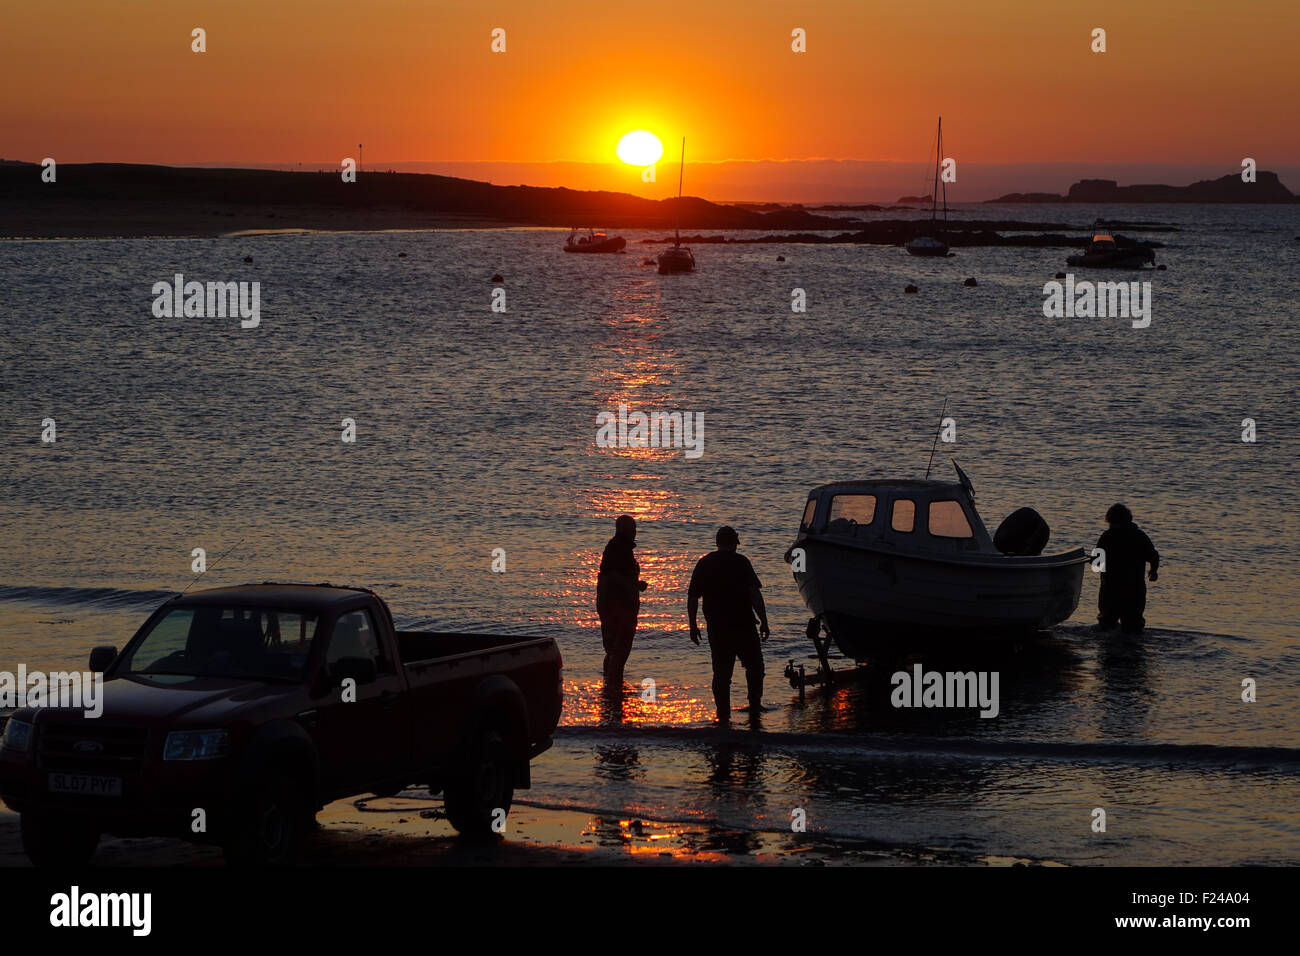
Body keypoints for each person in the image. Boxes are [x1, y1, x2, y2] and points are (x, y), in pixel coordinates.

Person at [688, 526, 770, 723]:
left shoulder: (704, 563)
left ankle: (723, 713)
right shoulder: (741, 562)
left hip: (717, 627)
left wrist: (692, 625)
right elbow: (754, 594)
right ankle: (754, 706)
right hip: (743, 625)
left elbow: (692, 597)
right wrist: (764, 621)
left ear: (717, 542)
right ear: (734, 543)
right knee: (755, 667)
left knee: (722, 672)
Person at [1094, 503, 1160, 634]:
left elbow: (1097, 565)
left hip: (1111, 588)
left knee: (1107, 624)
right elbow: (1153, 556)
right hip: (1134, 588)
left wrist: (1092, 560)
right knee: (1134, 626)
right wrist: (1153, 571)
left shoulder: (1107, 536)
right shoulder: (1139, 536)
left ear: (1110, 520)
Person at [596, 515, 647, 684]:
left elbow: (613, 575)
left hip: (612, 607)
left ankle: (609, 684)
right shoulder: (619, 548)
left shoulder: (616, 547)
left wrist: (635, 585)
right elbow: (613, 576)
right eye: (633, 529)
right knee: (619, 649)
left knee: (612, 649)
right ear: (624, 530)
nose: (635, 532)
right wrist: (633, 586)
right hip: (620, 609)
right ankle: (613, 684)